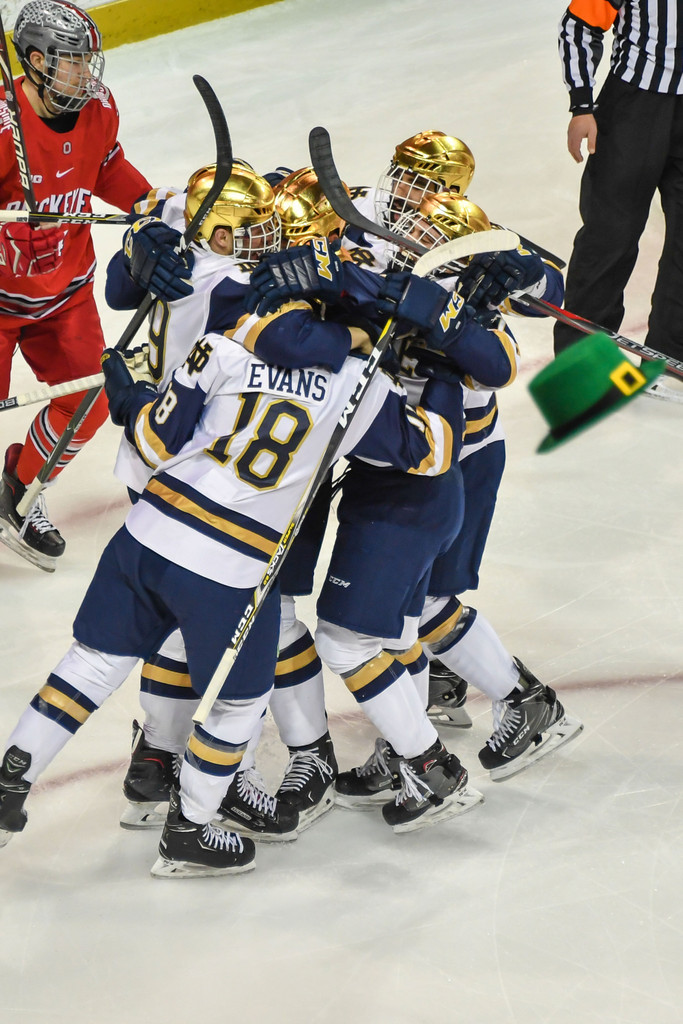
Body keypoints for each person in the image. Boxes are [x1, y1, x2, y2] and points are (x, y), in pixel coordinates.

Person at [0, 248, 473, 874]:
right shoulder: (358, 383)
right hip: (228, 566)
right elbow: (434, 452)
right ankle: (190, 831)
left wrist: (131, 391)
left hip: (146, 535)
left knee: (90, 665)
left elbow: (148, 438)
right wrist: (444, 373)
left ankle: (10, 784)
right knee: (240, 702)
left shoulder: (225, 341)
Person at [106, 162, 347, 840]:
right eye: (259, 228)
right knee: (182, 615)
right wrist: (141, 236)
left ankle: (309, 753)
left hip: (252, 467)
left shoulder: (221, 257)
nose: (269, 240)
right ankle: (165, 746)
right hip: (182, 457)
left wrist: (148, 228)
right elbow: (123, 284)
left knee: (268, 612)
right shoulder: (233, 279)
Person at [0, 0, 150, 572]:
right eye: (74, 61)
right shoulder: (2, 123)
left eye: (90, 59)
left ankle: (17, 488)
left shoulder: (98, 107)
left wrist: (146, 203)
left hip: (66, 293)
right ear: (37, 61)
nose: (89, 72)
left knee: (88, 401)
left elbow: (105, 163)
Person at [555, 0, 683, 362]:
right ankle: (582, 356)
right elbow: (580, 24)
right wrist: (581, 105)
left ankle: (671, 355)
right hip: (633, 107)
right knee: (609, 234)